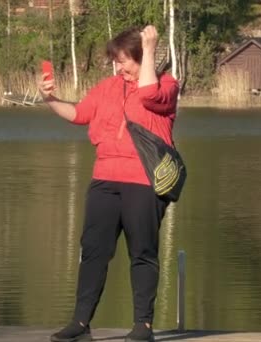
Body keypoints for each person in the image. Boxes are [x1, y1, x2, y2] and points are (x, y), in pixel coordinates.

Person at [39, 25, 179, 342]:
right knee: (93, 251)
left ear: (141, 57)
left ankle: (143, 325)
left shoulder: (167, 86)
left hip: (144, 181)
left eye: (124, 60)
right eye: (116, 61)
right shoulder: (107, 87)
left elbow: (149, 94)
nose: (119, 67)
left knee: (142, 252)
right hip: (104, 180)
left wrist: (150, 48)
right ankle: (80, 322)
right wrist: (49, 99)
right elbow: (78, 113)